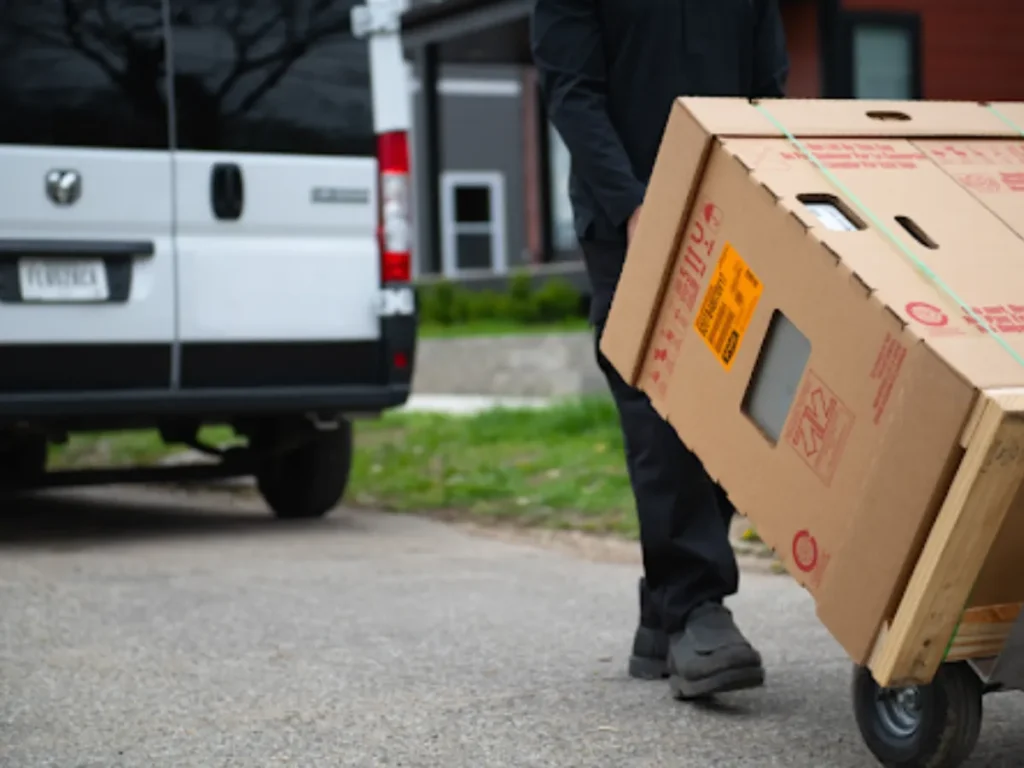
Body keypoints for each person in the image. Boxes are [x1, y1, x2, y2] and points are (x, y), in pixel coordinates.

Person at [531, 0, 789, 700]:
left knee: (728, 395)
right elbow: (572, 91)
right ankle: (697, 607)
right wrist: (633, 202)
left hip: (728, 210)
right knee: (659, 400)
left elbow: (767, 86)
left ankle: (664, 617)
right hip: (628, 219)